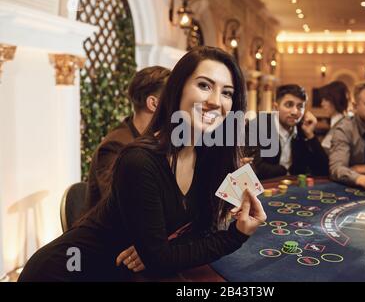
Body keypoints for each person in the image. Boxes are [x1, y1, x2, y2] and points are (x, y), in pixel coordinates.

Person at [18, 46, 266, 282]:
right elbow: (159, 260)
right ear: (177, 90)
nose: (216, 100)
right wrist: (236, 235)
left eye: (227, 93)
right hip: (65, 273)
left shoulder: (207, 157)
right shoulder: (139, 160)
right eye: (204, 85)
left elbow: (198, 232)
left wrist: (161, 248)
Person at [86, 66, 171, 209]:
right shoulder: (115, 146)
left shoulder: (156, 140)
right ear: (153, 103)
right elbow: (125, 205)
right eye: (174, 99)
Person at [245, 84, 329, 180]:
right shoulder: (257, 126)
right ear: (275, 107)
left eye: (300, 106)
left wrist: (310, 136)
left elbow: (323, 169)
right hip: (264, 188)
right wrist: (286, 172)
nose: (295, 112)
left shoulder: (303, 129)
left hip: (294, 188)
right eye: (289, 105)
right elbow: (256, 168)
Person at [319, 81, 350, 154]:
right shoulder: (338, 122)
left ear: (336, 100)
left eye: (326, 100)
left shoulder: (342, 125)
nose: (322, 104)